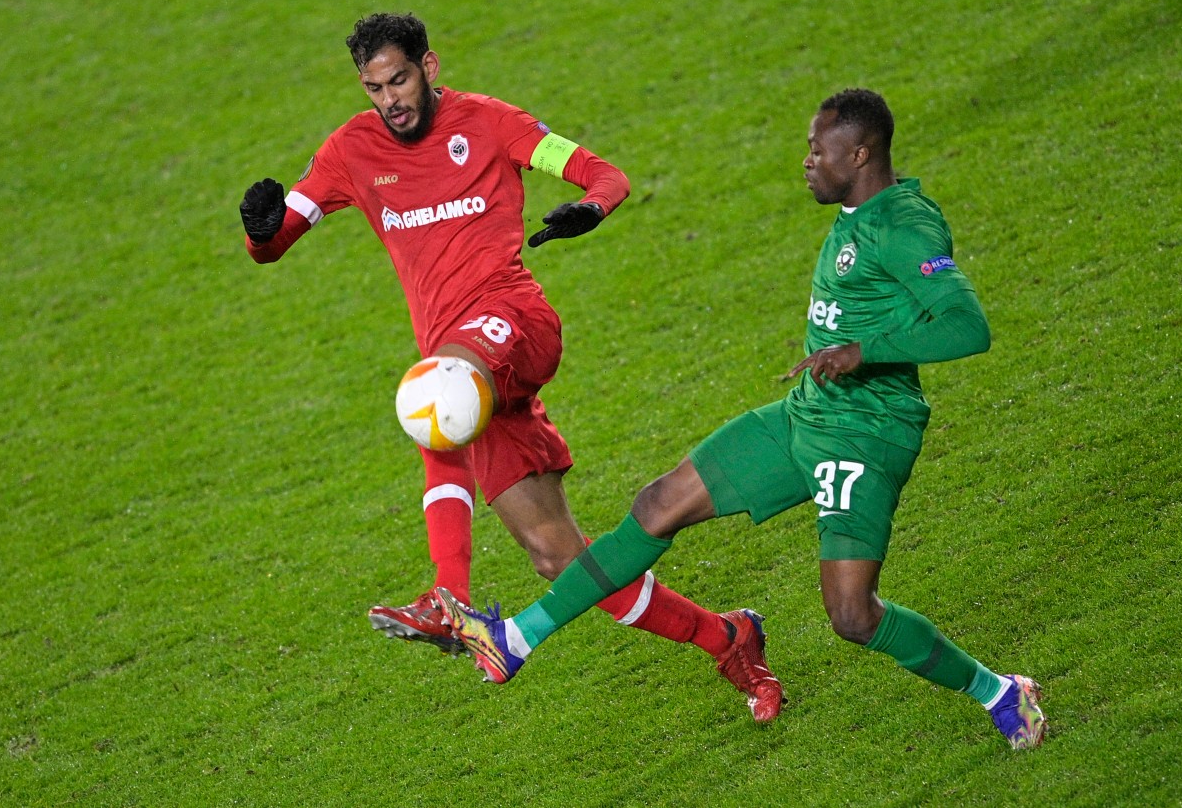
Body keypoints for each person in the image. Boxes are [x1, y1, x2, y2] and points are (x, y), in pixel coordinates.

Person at [439, 88, 1048, 748]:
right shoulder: (857, 211)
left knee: (852, 614)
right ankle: (517, 638)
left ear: (861, 152)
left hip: (867, 435)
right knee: (657, 504)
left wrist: (863, 350)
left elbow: (968, 325)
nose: (808, 161)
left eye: (821, 149)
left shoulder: (903, 227)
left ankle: (1000, 690)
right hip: (806, 414)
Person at [238, 12, 784, 719]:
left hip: (515, 322)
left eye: (399, 79)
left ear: (429, 68)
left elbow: (602, 172)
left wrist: (592, 206)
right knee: (559, 558)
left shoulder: (491, 122)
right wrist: (259, 229)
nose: (390, 99)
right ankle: (729, 637)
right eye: (374, 87)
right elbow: (278, 240)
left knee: (434, 394)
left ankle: (448, 596)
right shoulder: (351, 149)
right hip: (470, 371)